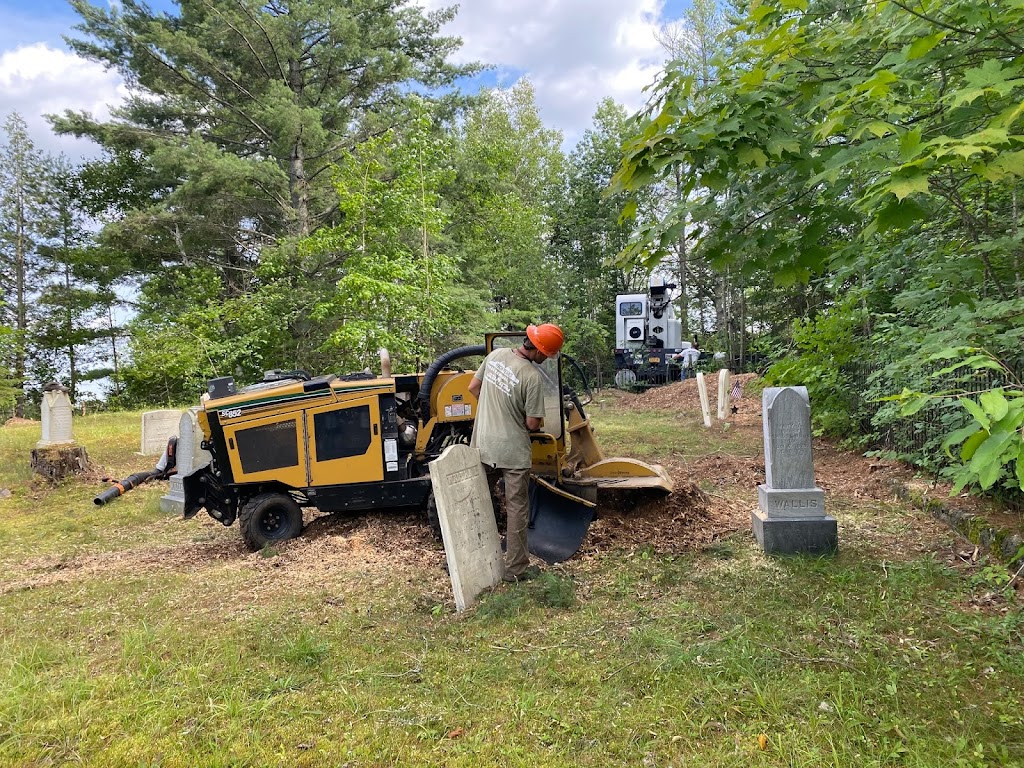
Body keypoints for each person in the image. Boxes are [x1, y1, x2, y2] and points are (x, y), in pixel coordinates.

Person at [467, 323, 565, 582]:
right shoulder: (531, 377)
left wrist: (494, 409)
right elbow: (533, 423)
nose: (546, 359)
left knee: (477, 502)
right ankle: (515, 570)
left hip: (483, 444)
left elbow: (473, 388)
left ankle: (469, 562)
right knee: (517, 508)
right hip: (513, 451)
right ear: (538, 350)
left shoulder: (494, 356)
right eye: (547, 354)